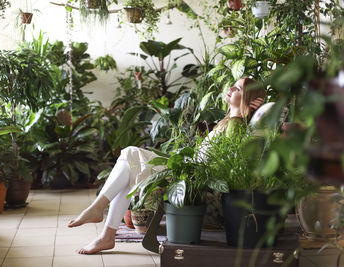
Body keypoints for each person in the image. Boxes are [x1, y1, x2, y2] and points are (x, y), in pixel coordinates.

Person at [68, 77, 266, 254]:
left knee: (130, 155)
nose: (230, 88)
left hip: (192, 180)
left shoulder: (236, 124)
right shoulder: (227, 121)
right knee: (129, 163)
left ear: (248, 100)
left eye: (238, 89)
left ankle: (100, 219)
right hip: (188, 172)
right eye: (233, 84)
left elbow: (229, 162)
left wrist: (261, 112)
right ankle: (105, 233)